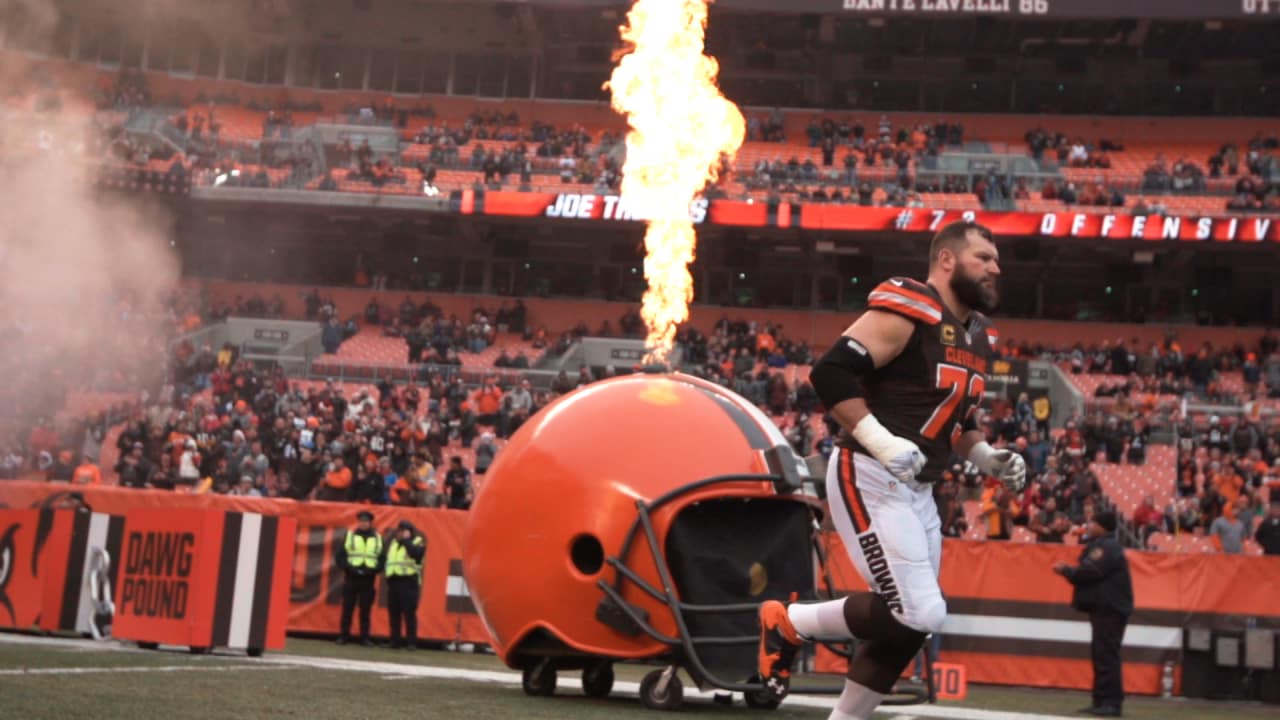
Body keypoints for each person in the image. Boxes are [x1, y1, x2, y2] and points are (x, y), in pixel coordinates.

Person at [757, 221, 1025, 718]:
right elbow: (831, 371)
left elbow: (957, 422)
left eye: (996, 259)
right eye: (983, 257)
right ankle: (789, 622)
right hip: (869, 473)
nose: (995, 267)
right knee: (920, 610)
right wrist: (880, 441)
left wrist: (986, 456)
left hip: (918, 490)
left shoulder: (976, 336)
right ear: (947, 260)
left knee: (911, 621)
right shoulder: (913, 305)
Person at [1053, 511, 1133, 717]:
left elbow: (1091, 572)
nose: (1089, 525)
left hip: (1110, 609)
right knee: (1101, 654)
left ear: (1103, 526)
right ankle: (1100, 700)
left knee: (1107, 655)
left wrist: (1066, 571)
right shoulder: (1103, 545)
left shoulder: (1107, 547)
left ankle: (1112, 703)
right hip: (1103, 608)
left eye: (1093, 522)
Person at [335, 510, 382, 646]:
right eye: (361, 521)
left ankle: (365, 637)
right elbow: (340, 556)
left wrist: (373, 570)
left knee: (365, 609)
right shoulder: (350, 536)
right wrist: (349, 568)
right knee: (347, 608)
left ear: (370, 523)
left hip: (368, 578)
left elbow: (382, 558)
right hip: (351, 576)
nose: (363, 523)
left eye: (366, 521)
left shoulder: (377, 538)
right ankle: (344, 636)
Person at [383, 519, 426, 649]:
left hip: (409, 581)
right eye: (400, 531)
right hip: (394, 581)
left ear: (410, 532)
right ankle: (394, 640)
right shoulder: (394, 544)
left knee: (409, 613)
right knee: (394, 612)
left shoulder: (418, 542)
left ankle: (411, 642)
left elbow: (416, 555)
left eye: (404, 531)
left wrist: (407, 541)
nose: (401, 533)